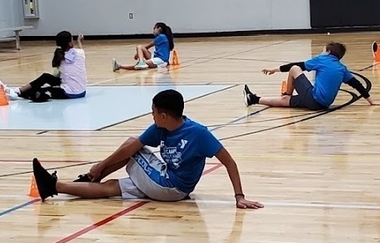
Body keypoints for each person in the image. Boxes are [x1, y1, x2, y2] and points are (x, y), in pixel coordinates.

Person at [31, 89, 262, 208]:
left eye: (153, 112)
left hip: (173, 187)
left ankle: (92, 176)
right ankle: (54, 186)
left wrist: (239, 197)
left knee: (133, 145)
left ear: (163, 115)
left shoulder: (198, 133)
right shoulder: (161, 128)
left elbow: (229, 162)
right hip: (164, 182)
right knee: (113, 188)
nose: (151, 116)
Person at [244, 42, 378, 110]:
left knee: (294, 69)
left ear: (328, 52)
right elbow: (357, 84)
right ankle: (253, 99)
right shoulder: (342, 68)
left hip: (314, 98)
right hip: (321, 105)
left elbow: (298, 65)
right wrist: (371, 101)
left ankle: (287, 94)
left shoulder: (322, 60)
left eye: (323, 50)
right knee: (285, 103)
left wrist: (275, 69)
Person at [0, 31, 87, 102]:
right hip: (81, 91)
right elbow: (81, 49)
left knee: (41, 89)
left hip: (69, 93)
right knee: (46, 80)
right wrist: (79, 41)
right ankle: (17, 92)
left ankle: (18, 92)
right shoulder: (80, 53)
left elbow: (56, 75)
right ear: (71, 43)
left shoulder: (59, 57)